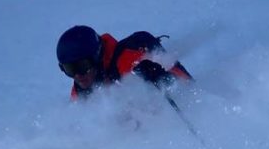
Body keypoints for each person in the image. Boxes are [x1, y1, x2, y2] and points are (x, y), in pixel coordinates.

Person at [56, 25, 192, 100]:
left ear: (96, 57)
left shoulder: (129, 61)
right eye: (69, 69)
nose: (77, 75)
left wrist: (163, 77)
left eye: (82, 66)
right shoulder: (81, 90)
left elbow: (187, 84)